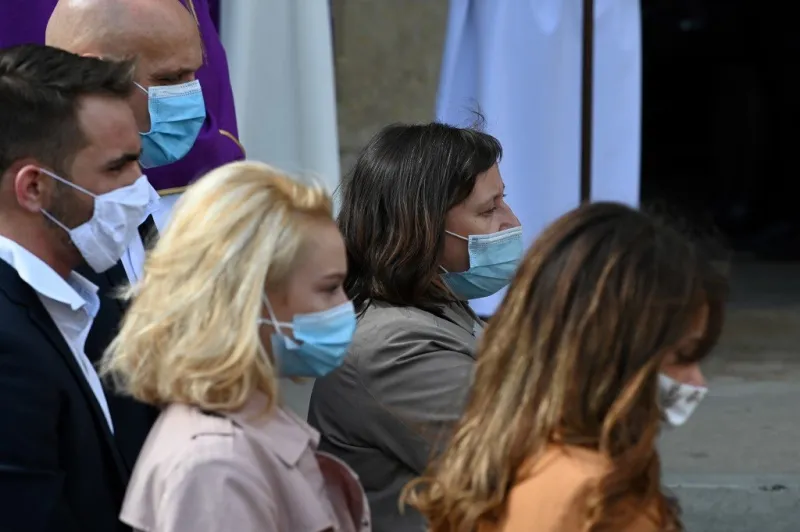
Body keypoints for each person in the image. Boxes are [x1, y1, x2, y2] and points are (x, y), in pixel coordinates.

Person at [403, 202, 728, 531]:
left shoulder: (504, 451)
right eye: (682, 355)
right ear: (608, 351)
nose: (696, 381)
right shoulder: (596, 499)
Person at [100, 161, 371, 532]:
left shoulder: (238, 432)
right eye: (328, 288)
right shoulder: (215, 466)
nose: (344, 305)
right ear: (246, 299)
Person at [308, 122, 521, 531]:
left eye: (504, 201)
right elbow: (518, 461)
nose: (511, 222)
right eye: (488, 209)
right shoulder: (394, 347)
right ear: (419, 226)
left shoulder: (438, 305)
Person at [0, 44, 159, 531]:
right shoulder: (7, 344)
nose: (142, 186)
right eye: (117, 167)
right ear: (33, 189)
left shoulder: (85, 295)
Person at [45, 0, 244, 282]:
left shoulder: (138, 196)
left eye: (193, 76)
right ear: (90, 74)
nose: (191, 98)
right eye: (170, 78)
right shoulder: (38, 228)